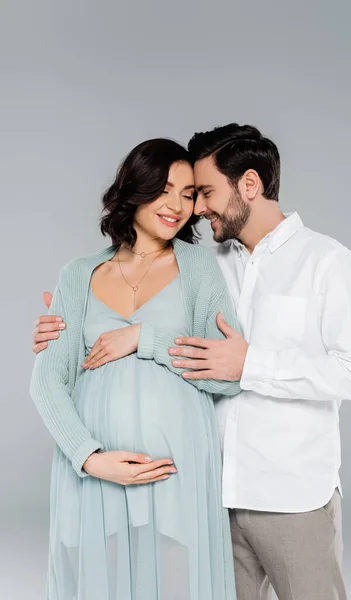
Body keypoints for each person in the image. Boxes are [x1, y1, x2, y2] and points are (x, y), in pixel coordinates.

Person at [33, 124, 351, 600]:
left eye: (201, 193)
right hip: (212, 488)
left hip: (282, 490)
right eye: (174, 192)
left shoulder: (319, 261)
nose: (192, 208)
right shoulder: (211, 257)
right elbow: (60, 366)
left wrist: (238, 361)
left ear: (249, 186)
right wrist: (59, 329)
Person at [30, 138, 241, 600]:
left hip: (175, 468)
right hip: (93, 470)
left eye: (188, 194)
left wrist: (145, 338)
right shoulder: (78, 274)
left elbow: (228, 373)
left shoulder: (198, 269)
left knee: (175, 582)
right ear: (135, 188)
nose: (177, 205)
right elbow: (47, 380)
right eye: (165, 188)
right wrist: (89, 456)